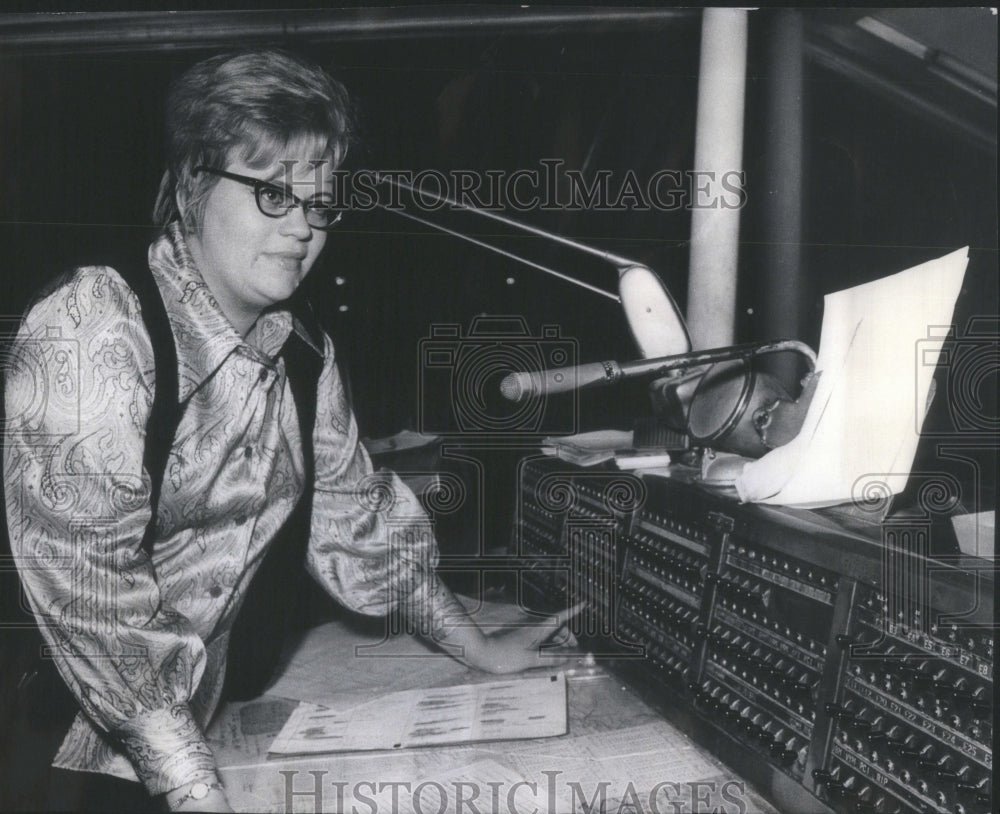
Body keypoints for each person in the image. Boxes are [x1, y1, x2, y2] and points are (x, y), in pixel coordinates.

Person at [2, 49, 576, 812]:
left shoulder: (302, 351)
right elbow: (92, 602)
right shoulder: (93, 327)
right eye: (273, 194)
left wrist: (478, 647)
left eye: (319, 203)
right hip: (48, 745)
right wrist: (197, 792)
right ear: (191, 187)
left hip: (185, 740)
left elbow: (357, 517)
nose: (303, 227)